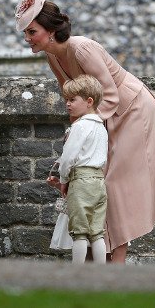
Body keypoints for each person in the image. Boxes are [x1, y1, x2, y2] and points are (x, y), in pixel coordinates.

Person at [15, 0, 155, 263]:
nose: (28, 37)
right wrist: (78, 132)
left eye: (33, 32)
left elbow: (111, 95)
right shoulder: (53, 56)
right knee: (93, 181)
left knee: (114, 188)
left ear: (51, 32)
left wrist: (86, 127)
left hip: (132, 110)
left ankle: (112, 271)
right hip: (102, 117)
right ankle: (94, 265)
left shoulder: (81, 48)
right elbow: (74, 96)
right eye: (27, 32)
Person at [46, 75, 109, 265]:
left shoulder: (80, 126)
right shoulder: (101, 128)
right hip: (99, 181)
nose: (68, 104)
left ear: (89, 101)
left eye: (73, 100)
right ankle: (101, 274)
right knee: (97, 232)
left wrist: (64, 180)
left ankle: (78, 274)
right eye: (67, 99)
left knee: (80, 232)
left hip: (80, 181)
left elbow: (68, 158)